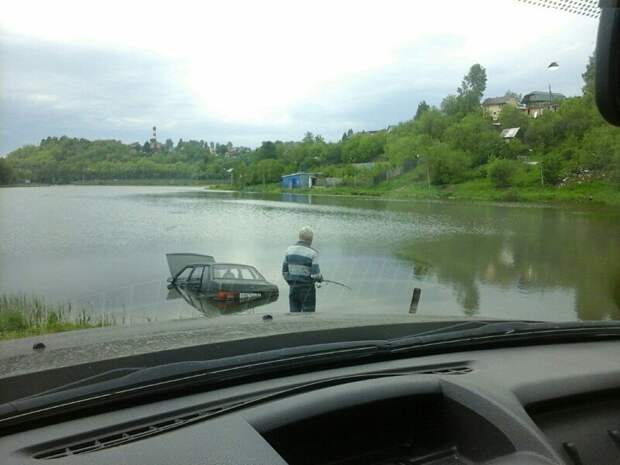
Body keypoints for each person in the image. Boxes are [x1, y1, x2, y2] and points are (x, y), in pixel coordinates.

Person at [282, 226, 323, 312]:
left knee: (293, 314)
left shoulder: (289, 250)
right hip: (307, 289)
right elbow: (315, 275)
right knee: (308, 316)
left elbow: (284, 272)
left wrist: (291, 282)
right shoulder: (313, 253)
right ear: (311, 240)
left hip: (293, 288)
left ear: (299, 237)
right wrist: (320, 278)